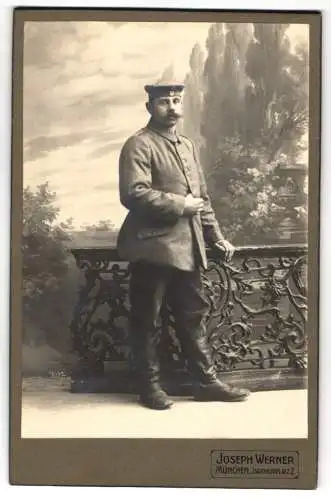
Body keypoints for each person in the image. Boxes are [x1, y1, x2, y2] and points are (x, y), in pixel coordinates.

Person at [117, 78, 250, 410]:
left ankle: (205, 382)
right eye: (164, 102)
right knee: (148, 320)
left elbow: (201, 199)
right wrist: (180, 205)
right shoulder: (139, 144)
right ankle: (148, 388)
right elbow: (133, 193)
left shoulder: (187, 145)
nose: (172, 107)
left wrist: (216, 237)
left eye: (177, 101)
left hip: (189, 249)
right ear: (150, 107)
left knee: (193, 316)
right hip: (153, 248)